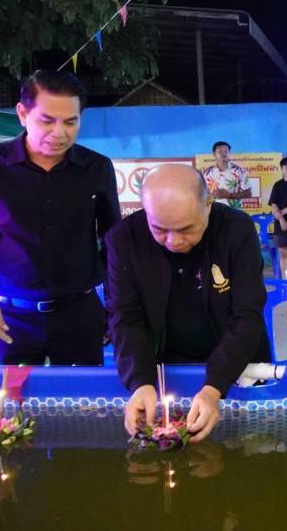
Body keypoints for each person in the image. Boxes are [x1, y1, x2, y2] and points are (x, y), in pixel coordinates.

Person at [0, 70, 120, 365]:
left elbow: (114, 243)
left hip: (79, 316)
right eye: (47, 121)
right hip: (6, 318)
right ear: (22, 113)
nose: (59, 133)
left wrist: (116, 305)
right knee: (6, 396)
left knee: (82, 395)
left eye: (70, 122)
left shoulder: (96, 168)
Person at [106, 164, 270, 443]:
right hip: (166, 368)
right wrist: (140, 382)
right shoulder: (124, 240)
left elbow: (247, 314)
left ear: (208, 203)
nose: (173, 241)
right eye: (159, 229)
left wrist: (215, 386)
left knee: (248, 446)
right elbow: (125, 317)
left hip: (239, 364)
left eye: (186, 229)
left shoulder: (237, 230)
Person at [203, 141, 252, 210]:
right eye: (220, 151)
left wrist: (229, 195)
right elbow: (201, 195)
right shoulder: (207, 173)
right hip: (214, 212)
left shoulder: (239, 171)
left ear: (229, 153)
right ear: (214, 154)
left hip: (234, 212)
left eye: (226, 151)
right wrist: (212, 194)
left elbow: (249, 193)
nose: (224, 154)